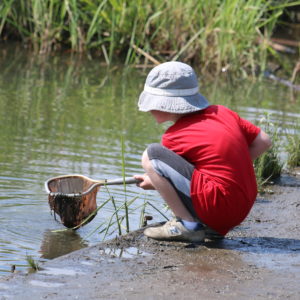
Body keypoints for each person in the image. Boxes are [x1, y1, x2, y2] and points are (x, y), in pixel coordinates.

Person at [134, 61, 272, 243]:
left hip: (219, 206)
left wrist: (155, 180)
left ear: (165, 104)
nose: (150, 109)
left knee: (151, 155)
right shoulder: (222, 112)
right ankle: (209, 226)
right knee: (158, 161)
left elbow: (169, 174)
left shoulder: (174, 136)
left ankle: (187, 225)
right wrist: (234, 165)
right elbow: (263, 141)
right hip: (241, 207)